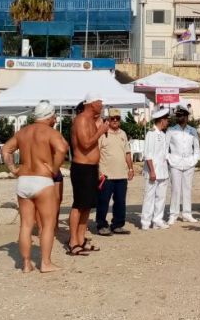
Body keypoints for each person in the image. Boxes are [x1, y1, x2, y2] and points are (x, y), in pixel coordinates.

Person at [1, 101, 68, 272]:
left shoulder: (23, 132)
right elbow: (62, 149)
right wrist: (54, 169)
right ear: (49, 116)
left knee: (26, 225)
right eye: (54, 116)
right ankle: (45, 263)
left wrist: (13, 169)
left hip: (24, 180)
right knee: (47, 225)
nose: (55, 119)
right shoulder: (50, 132)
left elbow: (5, 149)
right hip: (42, 180)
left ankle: (26, 264)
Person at [69, 92, 109, 255]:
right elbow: (85, 144)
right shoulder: (81, 119)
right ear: (92, 104)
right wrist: (101, 131)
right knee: (79, 205)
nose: (102, 105)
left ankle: (81, 239)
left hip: (91, 168)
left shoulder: (91, 120)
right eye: (100, 102)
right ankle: (73, 241)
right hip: (82, 167)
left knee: (87, 206)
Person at [96, 109, 133, 237]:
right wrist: (98, 172)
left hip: (121, 174)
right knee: (103, 201)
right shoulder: (102, 134)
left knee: (120, 202)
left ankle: (117, 225)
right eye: (112, 118)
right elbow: (96, 153)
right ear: (108, 120)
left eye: (117, 118)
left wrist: (131, 169)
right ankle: (101, 225)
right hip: (106, 175)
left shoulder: (123, 134)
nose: (115, 120)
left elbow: (127, 152)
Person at [167, 107, 200, 225]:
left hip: (189, 163)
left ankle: (187, 213)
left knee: (187, 189)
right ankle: (173, 214)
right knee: (175, 189)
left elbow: (197, 148)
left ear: (186, 117)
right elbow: (165, 148)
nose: (179, 118)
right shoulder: (171, 130)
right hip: (175, 163)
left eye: (182, 116)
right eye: (178, 116)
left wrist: (195, 160)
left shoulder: (193, 131)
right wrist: (169, 159)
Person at [140, 107, 171, 230]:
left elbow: (164, 154)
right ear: (162, 120)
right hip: (153, 171)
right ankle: (145, 222)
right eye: (167, 120)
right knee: (149, 197)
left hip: (163, 171)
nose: (168, 122)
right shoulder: (151, 134)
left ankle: (157, 220)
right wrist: (152, 171)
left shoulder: (163, 134)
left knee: (161, 197)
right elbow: (148, 155)